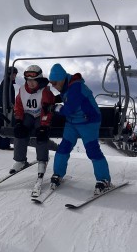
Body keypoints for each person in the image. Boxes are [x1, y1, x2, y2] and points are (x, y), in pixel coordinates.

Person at [48, 63, 112, 195]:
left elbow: (68, 109)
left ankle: (104, 179)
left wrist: (54, 107)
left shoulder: (76, 87)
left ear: (62, 79)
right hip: (72, 122)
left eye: (54, 83)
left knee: (92, 150)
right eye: (51, 83)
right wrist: (55, 98)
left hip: (88, 121)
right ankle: (58, 174)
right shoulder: (66, 85)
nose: (53, 86)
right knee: (63, 148)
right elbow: (66, 95)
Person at [10, 64, 55, 178]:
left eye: (33, 80)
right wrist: (18, 121)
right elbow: (18, 106)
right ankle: (20, 160)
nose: (30, 83)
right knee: (20, 131)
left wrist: (44, 125)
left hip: (41, 116)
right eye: (28, 80)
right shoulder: (22, 90)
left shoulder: (45, 91)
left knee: (41, 133)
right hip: (28, 115)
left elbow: (47, 110)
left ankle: (42, 160)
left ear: (39, 80)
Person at [0, 66, 18, 150]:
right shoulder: (7, 83)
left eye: (15, 75)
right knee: (6, 125)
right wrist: (10, 105)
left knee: (2, 125)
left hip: (3, 107)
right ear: (9, 74)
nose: (14, 76)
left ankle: (0, 144)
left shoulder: (6, 82)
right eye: (13, 74)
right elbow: (6, 96)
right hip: (6, 108)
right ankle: (4, 145)